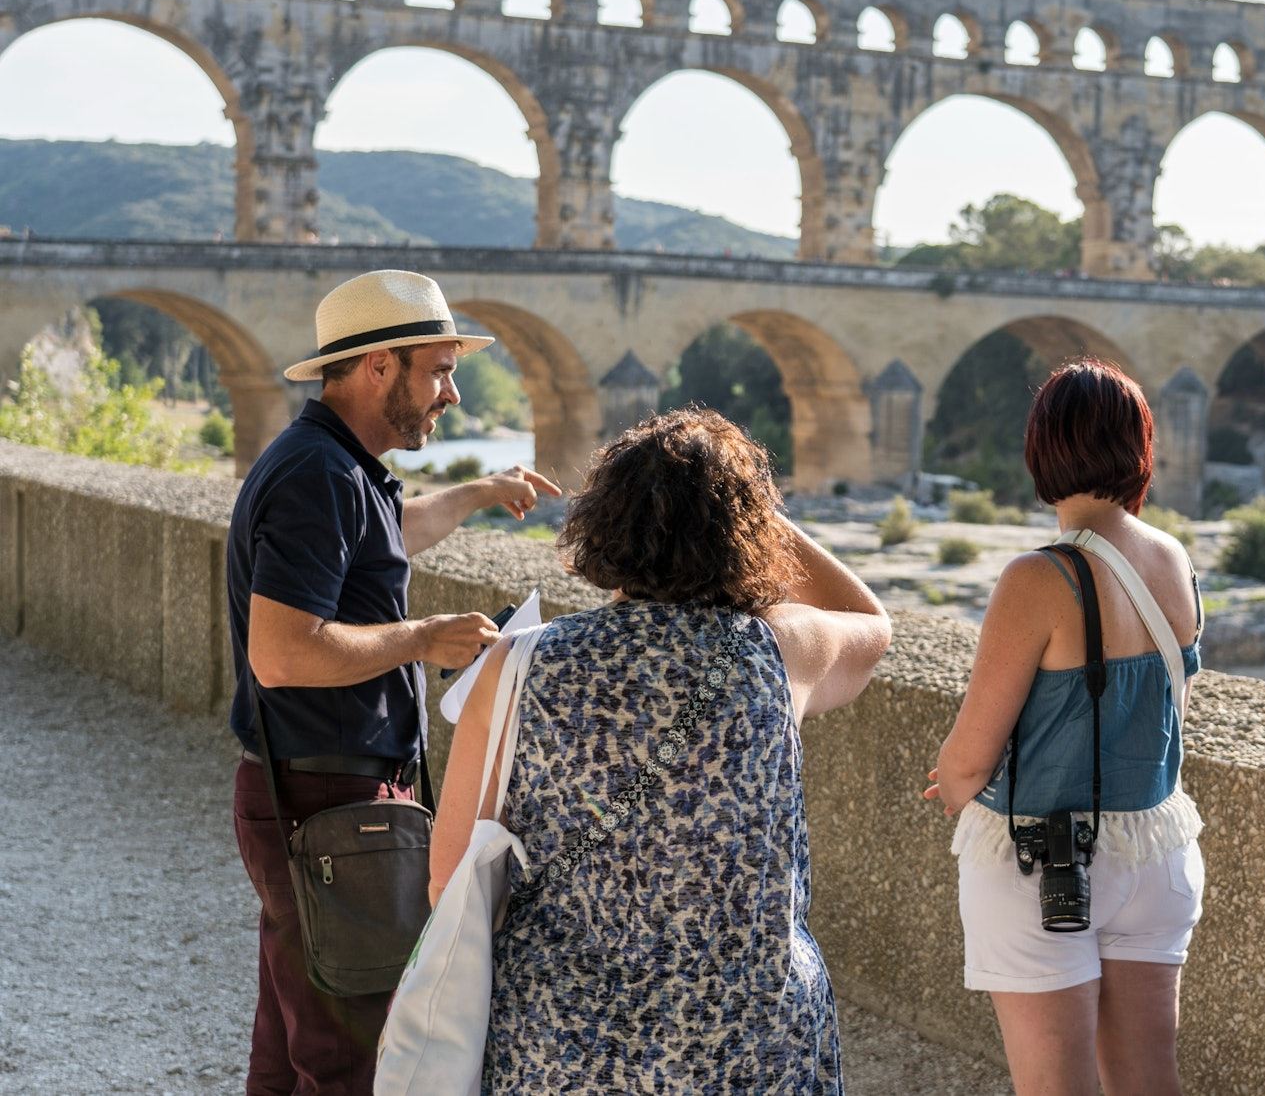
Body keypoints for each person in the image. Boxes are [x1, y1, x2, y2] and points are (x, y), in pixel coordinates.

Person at [429, 408, 892, 1094]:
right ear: (746, 536)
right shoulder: (779, 650)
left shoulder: (518, 665)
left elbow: (449, 881)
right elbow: (872, 626)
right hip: (749, 1044)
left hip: (561, 1044)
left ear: (602, 525)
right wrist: (760, 514)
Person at [226, 269, 560, 1096]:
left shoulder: (339, 466)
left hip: (317, 789)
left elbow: (388, 535)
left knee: (291, 1044)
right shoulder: (319, 478)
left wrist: (480, 492)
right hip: (328, 800)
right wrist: (426, 638)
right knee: (353, 1054)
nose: (451, 392)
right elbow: (283, 653)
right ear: (379, 366)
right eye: (439, 370)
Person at [924, 359, 1205, 1096]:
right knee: (1149, 1079)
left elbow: (969, 757)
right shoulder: (1174, 559)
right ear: (1140, 446)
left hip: (1044, 859)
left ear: (1041, 450)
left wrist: (955, 786)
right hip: (1156, 852)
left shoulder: (1039, 578)